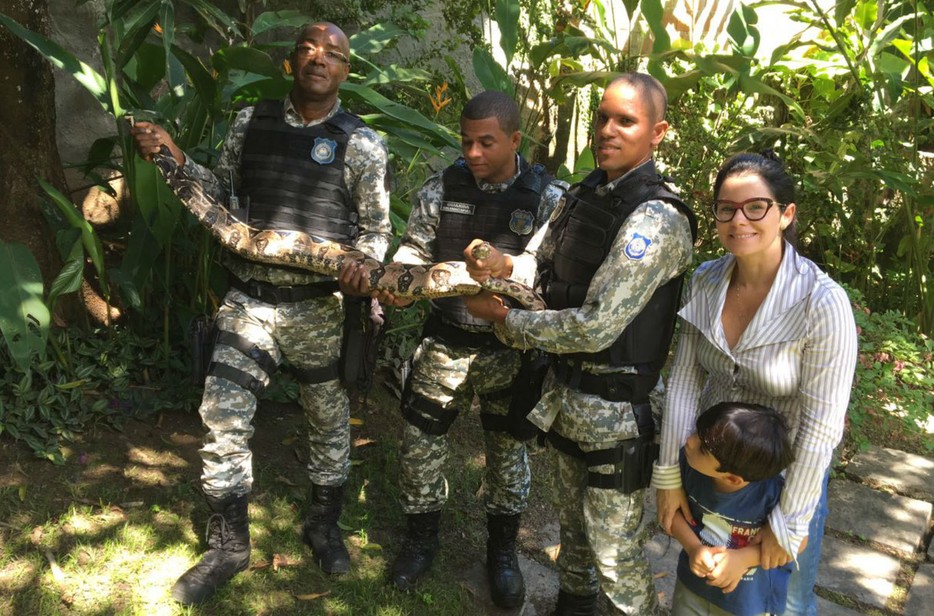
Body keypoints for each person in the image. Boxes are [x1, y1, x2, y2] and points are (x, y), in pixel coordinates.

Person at [131, 22, 391, 605]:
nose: (318, 59)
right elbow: (221, 193)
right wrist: (175, 157)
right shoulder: (251, 124)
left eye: (333, 55)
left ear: (346, 71)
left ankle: (323, 526)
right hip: (249, 299)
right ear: (290, 62)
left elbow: (376, 232)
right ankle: (228, 545)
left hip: (318, 307)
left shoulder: (363, 145)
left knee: (328, 422)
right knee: (222, 415)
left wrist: (362, 268)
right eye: (307, 49)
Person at [464, 73, 697, 615]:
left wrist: (507, 323)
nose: (607, 131)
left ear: (657, 132)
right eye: (602, 117)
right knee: (573, 536)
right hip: (566, 400)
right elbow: (538, 265)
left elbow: (596, 325)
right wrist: (502, 266)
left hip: (616, 412)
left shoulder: (656, 219)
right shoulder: (584, 192)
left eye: (626, 121)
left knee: (616, 557)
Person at [364, 90, 568, 608]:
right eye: (466, 141)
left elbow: (553, 275)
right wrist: (400, 282)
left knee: (507, 453)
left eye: (487, 142)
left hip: (511, 350)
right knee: (419, 445)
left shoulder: (548, 198)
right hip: (445, 343)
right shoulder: (442, 187)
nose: (473, 153)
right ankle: (420, 540)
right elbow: (416, 248)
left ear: (515, 140)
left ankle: (502, 553)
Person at [654, 152, 858, 616]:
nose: (738, 219)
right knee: (702, 583)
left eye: (755, 207)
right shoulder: (705, 281)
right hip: (710, 464)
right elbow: (685, 379)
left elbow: (822, 427)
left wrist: (790, 521)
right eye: (726, 208)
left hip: (783, 479)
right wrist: (667, 474)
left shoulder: (822, 303)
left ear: (786, 214)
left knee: (781, 600)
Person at [669, 402, 795, 616]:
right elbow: (672, 513)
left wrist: (744, 558)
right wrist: (693, 548)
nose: (689, 441)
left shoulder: (774, 494)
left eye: (703, 448)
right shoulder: (688, 464)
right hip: (692, 589)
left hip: (747, 604)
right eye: (696, 433)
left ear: (732, 478)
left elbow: (797, 542)